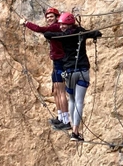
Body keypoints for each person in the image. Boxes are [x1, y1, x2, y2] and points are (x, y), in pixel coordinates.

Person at [44, 12, 102, 142]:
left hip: (69, 72)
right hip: (82, 71)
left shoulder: (62, 36)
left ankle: (71, 126)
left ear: (68, 24)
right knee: (79, 101)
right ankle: (75, 132)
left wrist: (53, 34)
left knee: (72, 100)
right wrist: (95, 34)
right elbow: (94, 33)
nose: (62, 26)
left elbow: (48, 34)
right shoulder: (80, 32)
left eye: (64, 24)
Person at [20, 7, 71, 130]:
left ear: (57, 17)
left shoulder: (56, 27)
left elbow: (39, 29)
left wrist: (26, 23)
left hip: (60, 62)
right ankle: (61, 117)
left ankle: (66, 120)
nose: (49, 19)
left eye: (51, 17)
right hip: (57, 61)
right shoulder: (56, 28)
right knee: (56, 91)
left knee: (60, 91)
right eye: (47, 17)